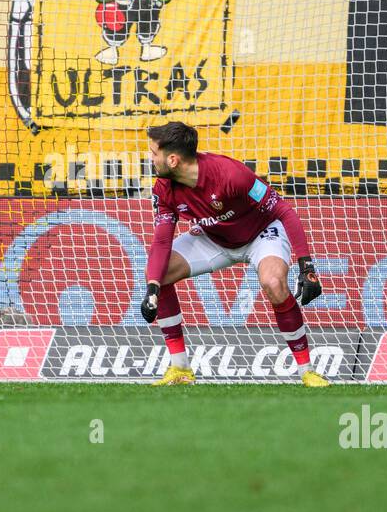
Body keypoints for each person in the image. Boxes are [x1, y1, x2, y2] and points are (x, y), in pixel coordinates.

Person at [140, 122, 330, 388]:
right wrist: (152, 288)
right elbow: (162, 241)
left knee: (274, 284)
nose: (150, 158)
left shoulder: (230, 175)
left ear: (172, 160)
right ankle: (180, 369)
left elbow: (284, 211)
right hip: (214, 236)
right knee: (159, 273)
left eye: (153, 153)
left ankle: (307, 371)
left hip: (261, 233)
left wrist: (305, 264)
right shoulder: (163, 188)